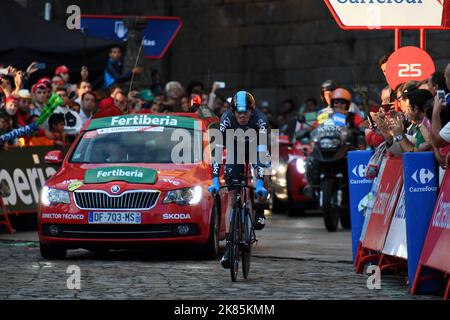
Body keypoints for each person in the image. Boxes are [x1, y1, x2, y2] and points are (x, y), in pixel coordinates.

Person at [207, 91, 268, 269]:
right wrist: (215, 180)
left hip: (257, 147)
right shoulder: (225, 119)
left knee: (266, 173)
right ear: (233, 112)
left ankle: (260, 209)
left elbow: (262, 154)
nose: (242, 117)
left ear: (252, 111)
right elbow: (218, 152)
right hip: (235, 149)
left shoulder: (261, 120)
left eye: (246, 113)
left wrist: (259, 182)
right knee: (233, 194)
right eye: (239, 113)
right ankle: (229, 247)